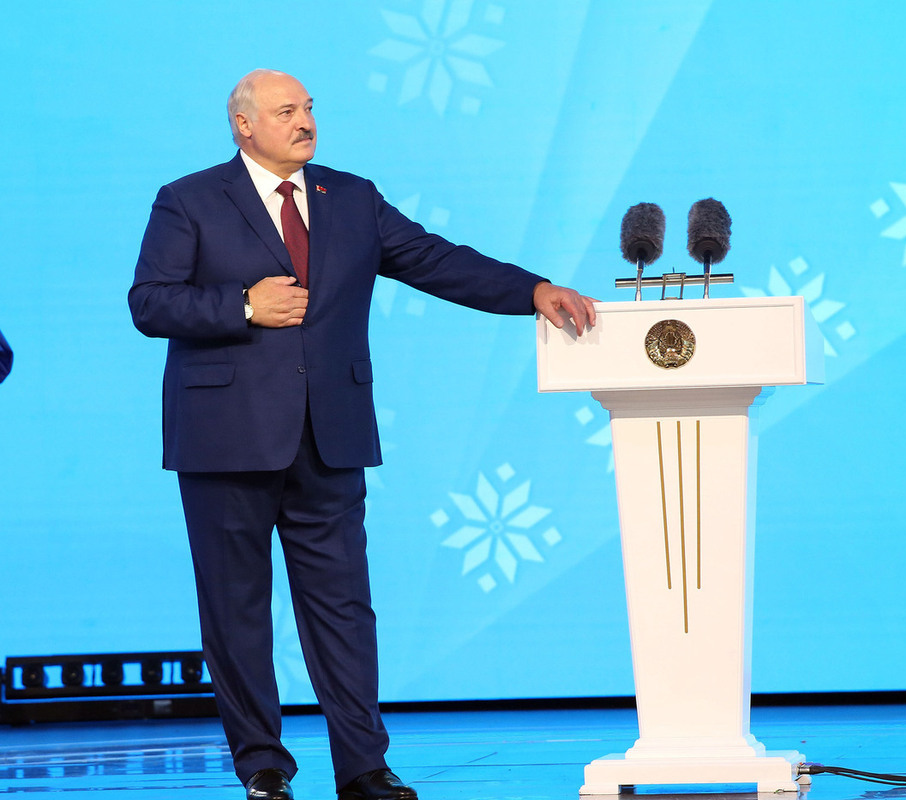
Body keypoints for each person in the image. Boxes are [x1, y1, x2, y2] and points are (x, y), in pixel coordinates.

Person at [129, 69, 594, 800]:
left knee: (343, 608)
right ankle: (263, 765)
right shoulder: (188, 199)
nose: (305, 121)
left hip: (330, 436)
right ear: (244, 124)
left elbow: (437, 260)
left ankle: (364, 766)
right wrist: (242, 305)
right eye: (287, 111)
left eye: (310, 108)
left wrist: (531, 290)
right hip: (225, 438)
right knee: (236, 609)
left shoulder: (350, 197)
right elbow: (150, 303)